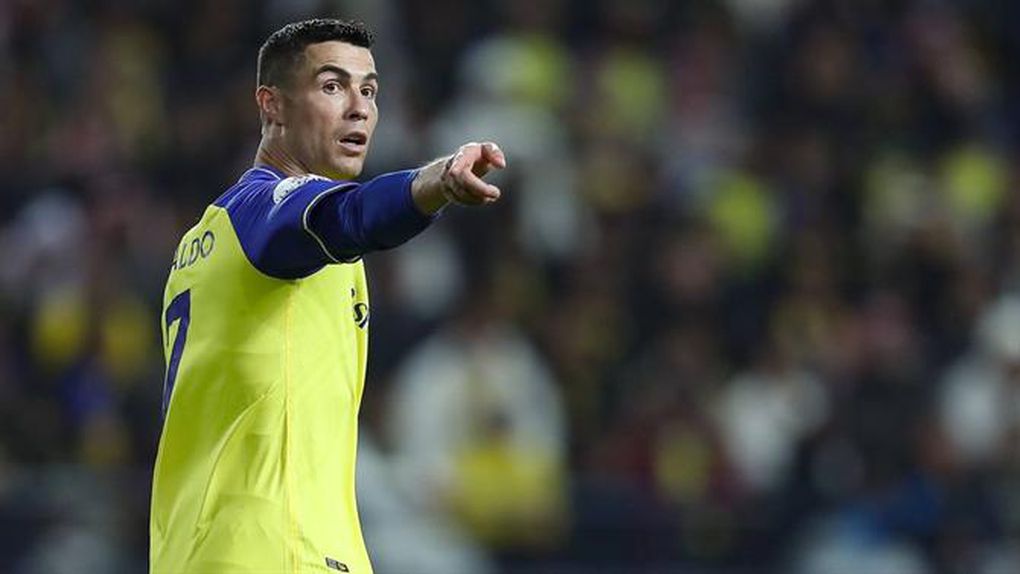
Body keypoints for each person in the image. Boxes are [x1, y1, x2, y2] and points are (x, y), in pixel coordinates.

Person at [149, 18, 506, 574]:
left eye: (370, 90)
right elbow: (350, 214)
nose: (359, 108)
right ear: (272, 105)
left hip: (204, 550)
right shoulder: (265, 212)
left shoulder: (201, 245)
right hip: (275, 551)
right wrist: (434, 183)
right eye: (333, 86)